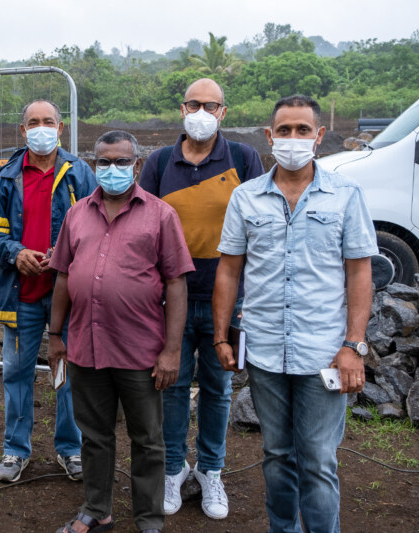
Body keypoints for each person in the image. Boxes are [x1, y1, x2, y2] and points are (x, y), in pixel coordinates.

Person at [213, 95, 376, 533]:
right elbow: (229, 271)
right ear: (269, 137)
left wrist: (353, 346)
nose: (293, 139)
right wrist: (221, 337)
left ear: (319, 137)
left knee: (319, 461)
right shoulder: (246, 198)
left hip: (323, 351)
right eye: (284, 131)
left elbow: (360, 273)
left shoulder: (345, 195)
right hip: (265, 350)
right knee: (277, 455)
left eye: (303, 130)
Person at [48, 130, 195, 533]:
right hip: (85, 345)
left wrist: (171, 351)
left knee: (147, 438)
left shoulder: (160, 215)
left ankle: (149, 519)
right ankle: (97, 510)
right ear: (94, 165)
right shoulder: (78, 214)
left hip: (139, 350)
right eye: (104, 162)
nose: (112, 170)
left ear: (137, 165)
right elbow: (62, 276)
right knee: (94, 435)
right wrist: (55, 335)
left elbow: (176, 284)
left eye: (121, 162)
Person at [138, 78, 264, 519]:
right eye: (195, 104)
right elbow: (144, 226)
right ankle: (173, 469)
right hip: (170, 298)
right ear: (181, 107)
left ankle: (211, 471)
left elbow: (259, 225)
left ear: (223, 112)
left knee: (218, 387)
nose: (202, 112)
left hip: (224, 298)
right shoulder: (158, 163)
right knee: (169, 386)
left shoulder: (244, 158)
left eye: (211, 105)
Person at [0, 99, 96, 483]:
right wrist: (16, 253)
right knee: (16, 373)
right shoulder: (8, 176)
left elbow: (99, 229)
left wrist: (65, 257)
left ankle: (71, 448)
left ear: (60, 129)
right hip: (20, 294)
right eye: (32, 122)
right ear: (23, 130)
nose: (40, 128)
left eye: (48, 121)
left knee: (69, 374)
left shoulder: (80, 173)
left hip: (68, 295)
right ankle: (15, 450)